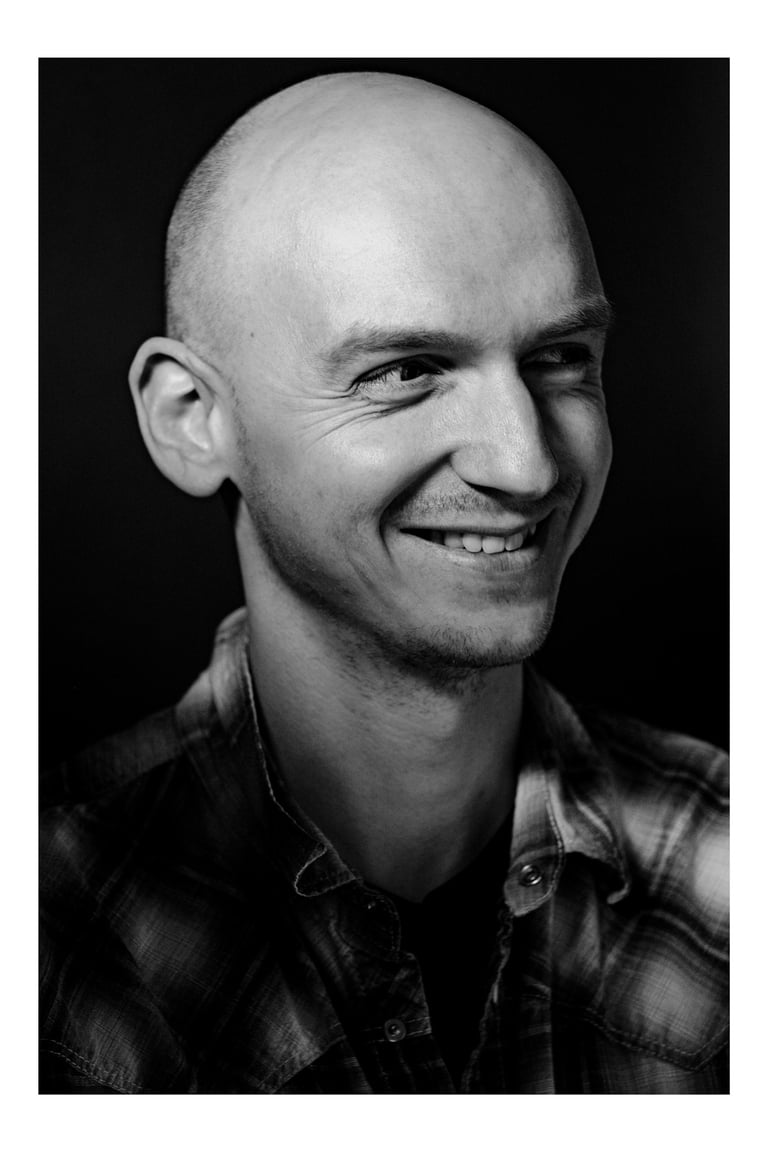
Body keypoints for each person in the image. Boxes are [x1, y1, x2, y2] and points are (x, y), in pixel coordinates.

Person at [39, 71, 728, 1094]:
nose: (526, 465)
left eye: (560, 358)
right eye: (404, 371)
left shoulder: (730, 863)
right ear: (192, 418)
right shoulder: (53, 931)